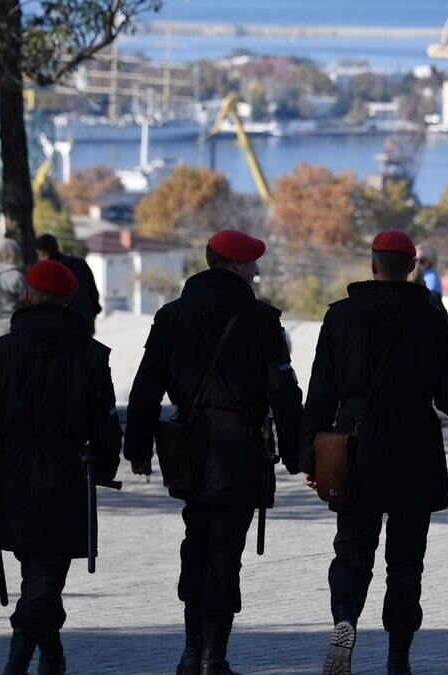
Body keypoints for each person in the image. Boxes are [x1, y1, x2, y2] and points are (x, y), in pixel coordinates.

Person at [301, 229, 448, 675]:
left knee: (352, 552)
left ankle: (345, 624)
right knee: (406, 560)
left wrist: (307, 457)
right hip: (415, 447)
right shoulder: (433, 319)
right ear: (411, 267)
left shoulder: (340, 317)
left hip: (354, 448)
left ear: (373, 265)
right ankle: (399, 656)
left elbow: (319, 394)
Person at [124, 230, 302, 675]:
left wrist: (139, 448)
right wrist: (298, 454)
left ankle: (190, 651)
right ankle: (214, 656)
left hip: (188, 446)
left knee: (196, 544)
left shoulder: (170, 317)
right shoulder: (263, 321)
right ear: (236, 266)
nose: (257, 271)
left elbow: (145, 388)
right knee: (226, 551)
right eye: (252, 264)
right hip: (242, 450)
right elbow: (283, 392)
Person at [0, 259, 122, 675]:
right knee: (44, 576)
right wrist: (105, 465)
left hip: (12, 473)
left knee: (38, 573)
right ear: (69, 301)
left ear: (27, 297)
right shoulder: (91, 355)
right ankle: (24, 662)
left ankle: (47, 656)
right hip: (65, 474)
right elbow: (104, 422)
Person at [36, 233, 102, 333]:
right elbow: (94, 294)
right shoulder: (80, 263)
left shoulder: (47, 270)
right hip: (85, 323)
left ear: (42, 253)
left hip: (61, 327)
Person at [414, 243, 444, 308]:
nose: (417, 264)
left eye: (422, 261)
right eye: (415, 260)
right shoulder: (416, 275)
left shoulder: (431, 277)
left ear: (430, 262)